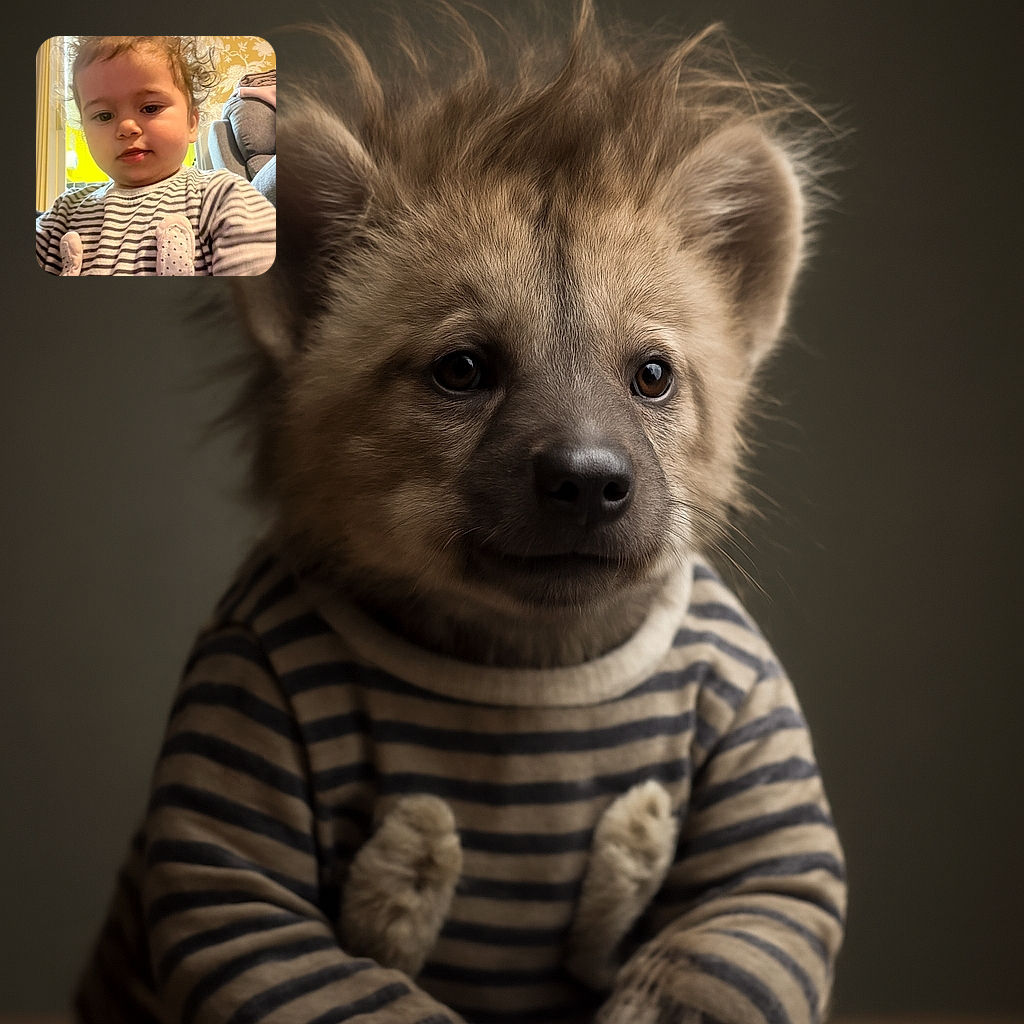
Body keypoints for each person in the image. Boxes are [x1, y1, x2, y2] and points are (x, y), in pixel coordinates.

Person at [36, 36, 276, 276]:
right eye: (104, 116)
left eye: (150, 108)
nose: (127, 127)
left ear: (192, 123)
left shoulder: (224, 196)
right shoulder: (63, 213)